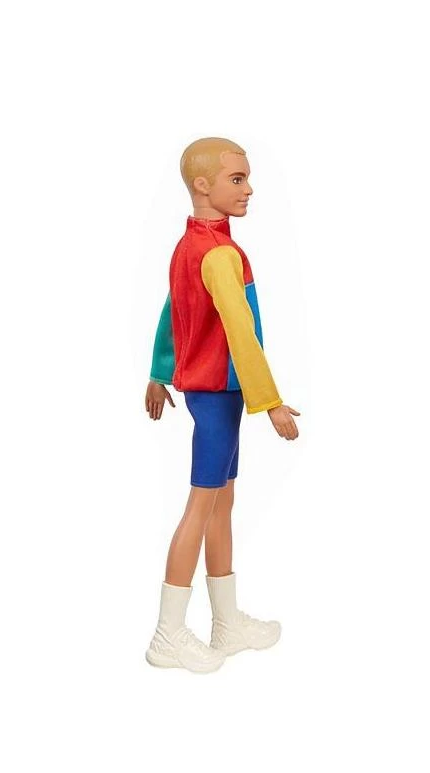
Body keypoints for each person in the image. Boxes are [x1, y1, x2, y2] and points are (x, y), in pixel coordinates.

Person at [142, 137, 301, 674]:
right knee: (202, 504)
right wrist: (270, 401)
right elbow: (240, 332)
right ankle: (168, 632)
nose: (249, 188)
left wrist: (159, 371)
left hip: (216, 394)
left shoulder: (191, 245)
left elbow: (174, 308)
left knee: (221, 502)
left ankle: (226, 622)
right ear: (202, 185)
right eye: (237, 179)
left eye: (247, 177)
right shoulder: (219, 254)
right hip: (218, 392)